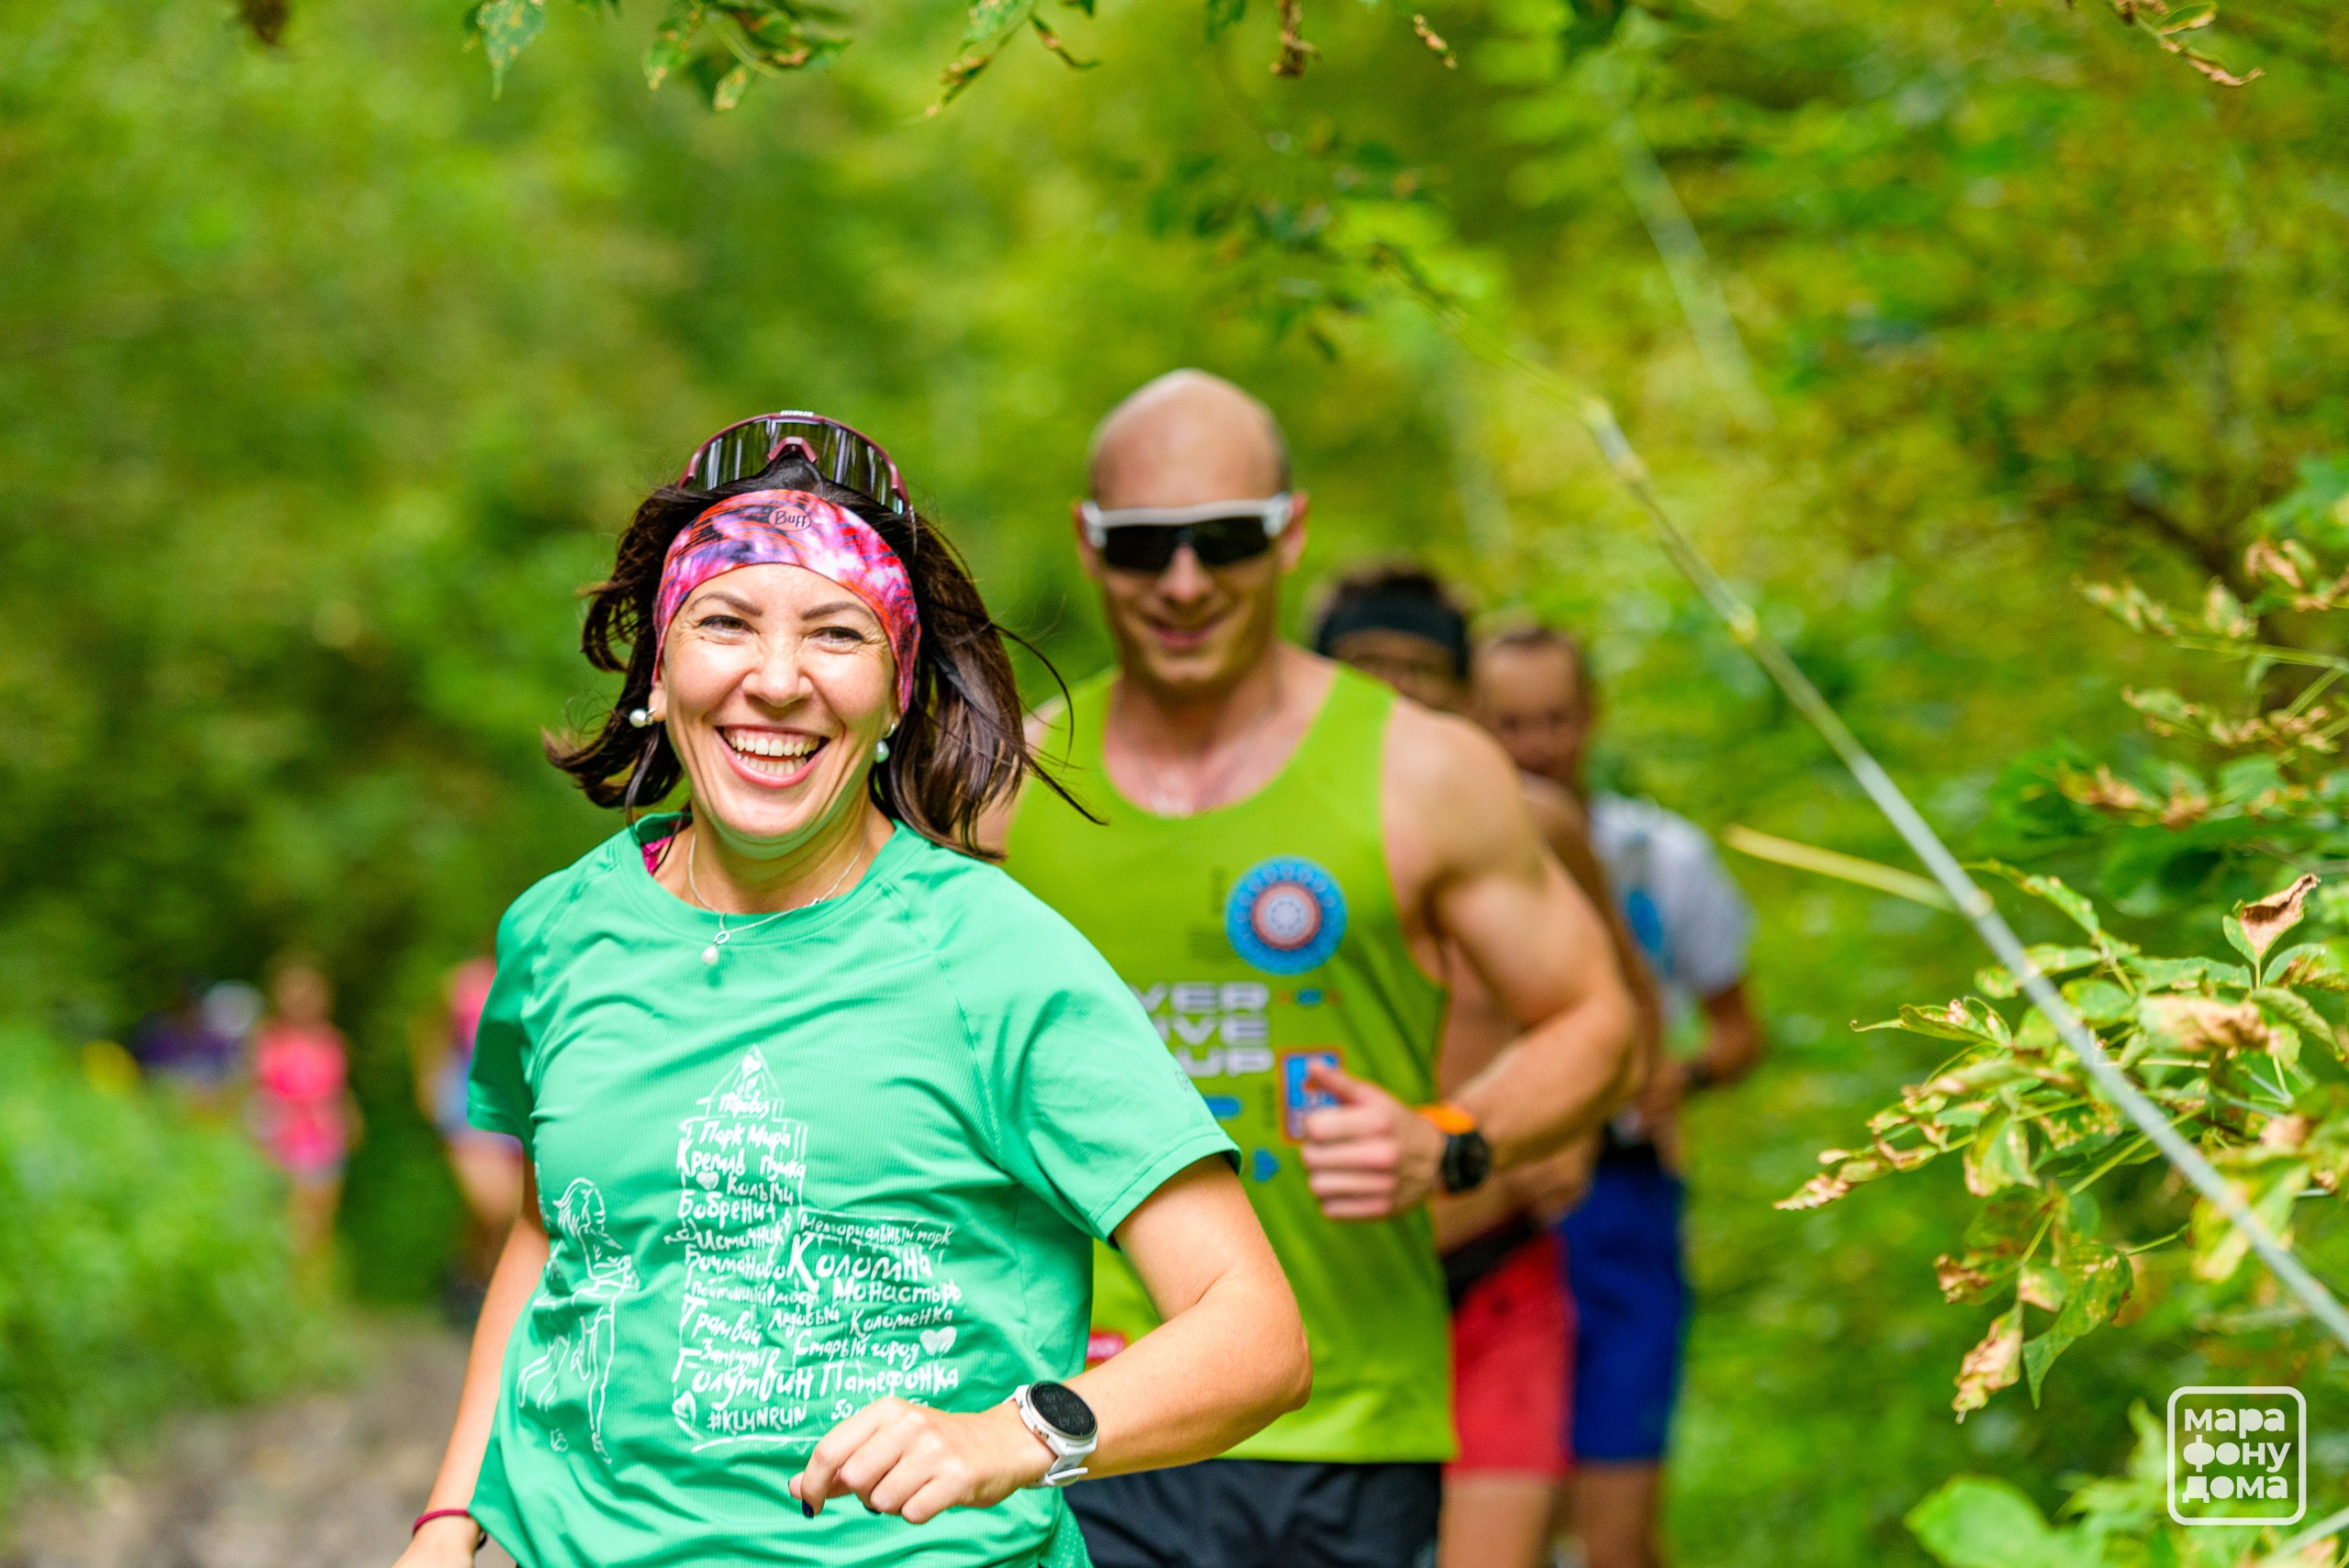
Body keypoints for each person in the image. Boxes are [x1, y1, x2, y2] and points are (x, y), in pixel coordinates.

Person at [394, 411, 1310, 1568]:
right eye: (726, 622)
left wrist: (1010, 1435)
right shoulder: (561, 933)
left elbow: (1256, 1333)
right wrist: (449, 1517)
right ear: (660, 669)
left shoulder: (997, 960)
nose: (777, 681)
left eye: (837, 633)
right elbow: (554, 1226)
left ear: (895, 691)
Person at [993, 372, 1639, 1568]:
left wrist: (1452, 1136)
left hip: (1350, 1414)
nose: (1185, 582)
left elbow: (1597, 1018)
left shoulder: (1424, 771)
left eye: (1225, 539)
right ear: (1088, 544)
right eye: (1144, 546)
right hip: (1084, 1414)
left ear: (1290, 532)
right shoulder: (1010, 784)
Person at [1313, 563, 1663, 1568]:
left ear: (1465, 690)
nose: (1394, 688)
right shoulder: (1260, 831)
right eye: (1366, 663)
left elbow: (1621, 1012)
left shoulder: (1531, 821)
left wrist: (1574, 1124)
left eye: (1420, 667)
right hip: (1329, 1283)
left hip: (1496, 1258)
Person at [1474, 624, 1766, 1568]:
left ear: (1591, 715)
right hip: (1493, 1202)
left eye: (1555, 718)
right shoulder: (1443, 851)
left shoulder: (1660, 857)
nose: (1536, 744)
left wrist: (1668, 1079)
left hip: (1623, 1195)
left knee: (1618, 1525)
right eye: (1510, 722)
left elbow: (1738, 1030)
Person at [412, 954, 524, 1319]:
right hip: (465, 1104)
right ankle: (471, 1284)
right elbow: (431, 1033)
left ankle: (471, 1281)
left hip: (512, 1106)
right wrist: (429, 1085)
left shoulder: (532, 975)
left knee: (510, 1212)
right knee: (490, 1205)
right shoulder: (465, 981)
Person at [250, 956, 360, 1264]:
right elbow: (253, 1093)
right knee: (288, 1224)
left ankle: (313, 1285)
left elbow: (338, 1092)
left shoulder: (332, 1041)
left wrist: (350, 1119)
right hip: (280, 1142)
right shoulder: (267, 1039)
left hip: (324, 1139)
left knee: (319, 1225)